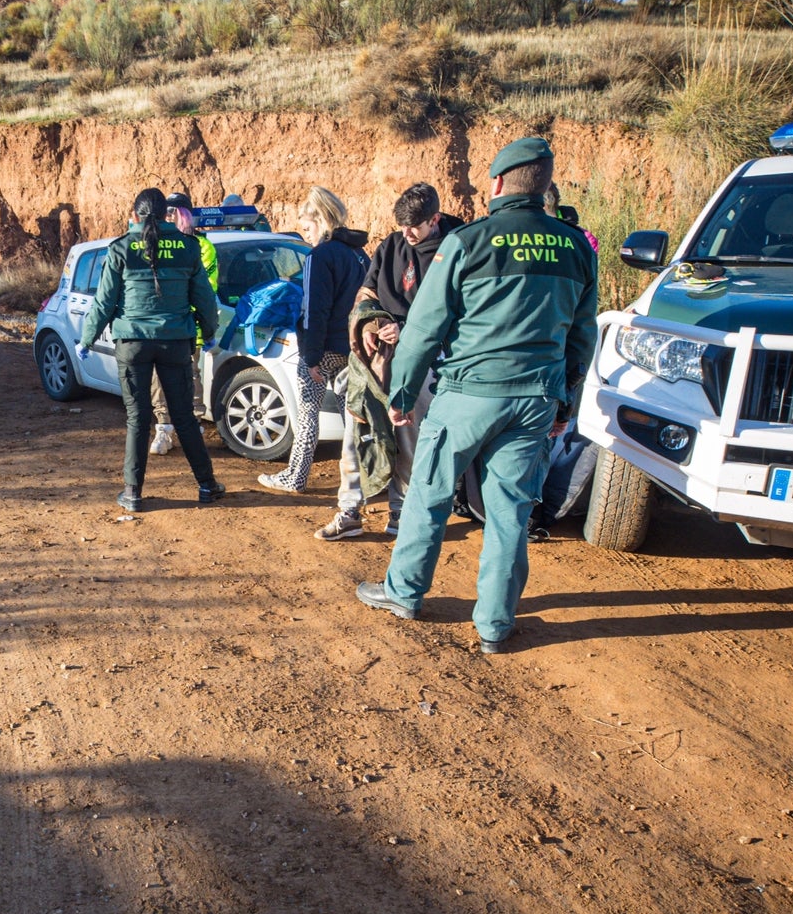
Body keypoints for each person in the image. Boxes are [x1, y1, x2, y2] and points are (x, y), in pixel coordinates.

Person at [355, 137, 599, 654]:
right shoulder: (576, 246)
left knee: (430, 492)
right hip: (534, 398)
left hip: (468, 393)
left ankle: (404, 593)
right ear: (543, 184)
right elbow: (582, 334)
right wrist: (564, 400)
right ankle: (494, 625)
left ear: (495, 184)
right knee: (509, 510)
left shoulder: (469, 242)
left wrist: (399, 392)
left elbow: (422, 328)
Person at [316, 182, 465, 541]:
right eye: (401, 226)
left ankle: (401, 515)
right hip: (373, 362)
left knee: (409, 441)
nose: (407, 234)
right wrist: (369, 323)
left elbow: (461, 313)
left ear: (436, 218)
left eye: (414, 226)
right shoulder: (392, 245)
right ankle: (350, 511)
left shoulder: (459, 248)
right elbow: (366, 293)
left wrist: (407, 330)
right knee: (356, 435)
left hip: (426, 362)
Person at [77, 187, 225, 512]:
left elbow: (104, 302)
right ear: (166, 215)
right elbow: (204, 299)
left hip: (132, 343)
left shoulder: (120, 248)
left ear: (134, 215)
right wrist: (209, 333)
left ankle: (132, 494)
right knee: (184, 416)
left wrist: (87, 340)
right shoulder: (189, 248)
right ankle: (206, 485)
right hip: (175, 343)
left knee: (138, 418)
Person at [257, 186, 369, 493]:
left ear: (320, 220)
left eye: (307, 228)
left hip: (325, 348)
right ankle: (364, 478)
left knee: (307, 414)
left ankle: (296, 476)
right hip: (355, 347)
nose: (306, 235)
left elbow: (313, 309)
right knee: (355, 417)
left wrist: (311, 356)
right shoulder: (359, 254)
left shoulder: (320, 257)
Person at [147, 193, 220, 456]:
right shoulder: (159, 242)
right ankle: (163, 431)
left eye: (174, 212)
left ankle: (194, 429)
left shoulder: (201, 246)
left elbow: (205, 290)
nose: (169, 217)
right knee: (159, 380)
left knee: (190, 379)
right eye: (166, 212)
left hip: (189, 327)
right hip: (161, 325)